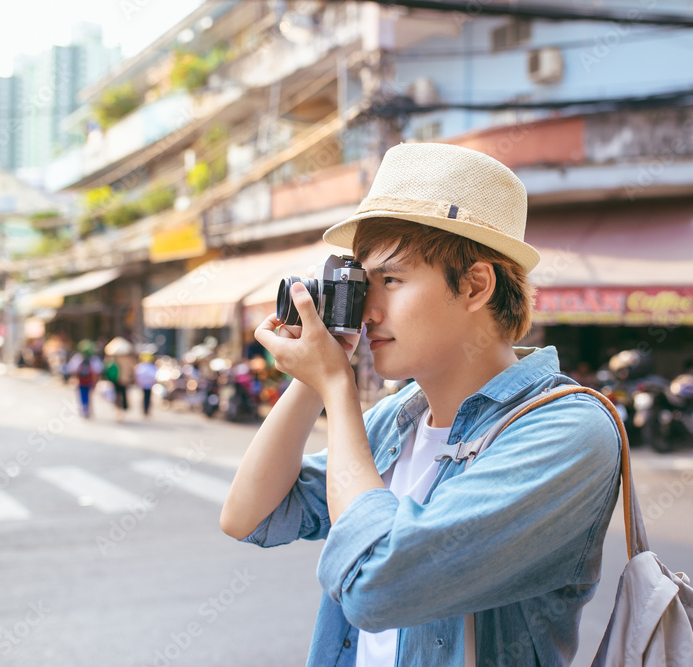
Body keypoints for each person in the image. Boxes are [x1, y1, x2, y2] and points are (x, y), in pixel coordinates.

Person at [220, 143, 621, 666]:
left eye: (391, 280)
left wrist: (339, 390)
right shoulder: (400, 418)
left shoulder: (568, 431)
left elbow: (376, 586)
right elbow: (249, 515)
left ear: (476, 285)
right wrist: (314, 373)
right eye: (364, 284)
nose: (369, 310)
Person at [67, 340, 103, 418]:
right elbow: (98, 370)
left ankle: (84, 408)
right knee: (88, 395)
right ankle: (87, 409)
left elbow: (72, 369)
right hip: (90, 381)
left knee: (82, 395)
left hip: (81, 381)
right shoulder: (94, 359)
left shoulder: (77, 358)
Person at [134, 352, 158, 417]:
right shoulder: (150, 366)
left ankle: (145, 409)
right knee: (147, 397)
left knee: (146, 397)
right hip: (146, 384)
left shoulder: (142, 366)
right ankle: (145, 409)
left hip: (146, 384)